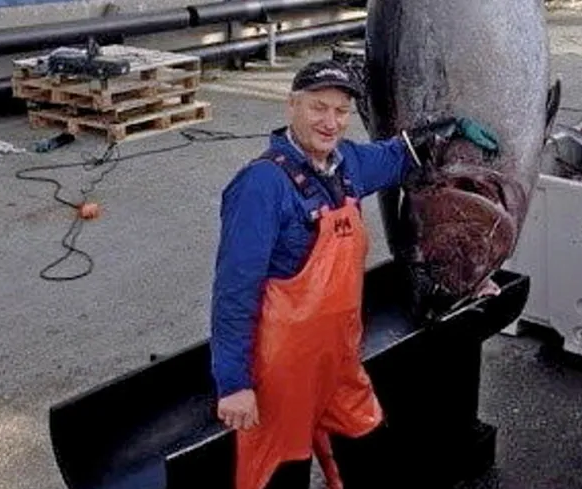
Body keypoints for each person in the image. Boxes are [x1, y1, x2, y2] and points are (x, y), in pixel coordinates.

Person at [209, 59, 497, 489]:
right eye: (318, 107)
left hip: (342, 364)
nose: (330, 122)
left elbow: (400, 155)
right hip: (281, 379)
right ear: (291, 105)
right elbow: (234, 292)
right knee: (277, 475)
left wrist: (450, 128)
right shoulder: (260, 186)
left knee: (373, 459)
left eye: (341, 111)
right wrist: (233, 384)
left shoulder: (348, 165)